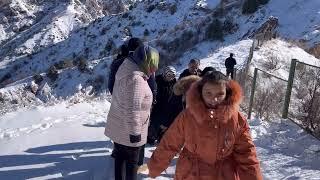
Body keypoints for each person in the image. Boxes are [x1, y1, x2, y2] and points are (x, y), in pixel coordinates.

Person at [147, 71, 263, 180]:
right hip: (191, 173)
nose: (214, 99)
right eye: (208, 93)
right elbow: (170, 142)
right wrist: (155, 166)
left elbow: (246, 152)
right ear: (200, 91)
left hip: (223, 174)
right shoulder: (188, 116)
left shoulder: (236, 119)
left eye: (220, 94)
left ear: (227, 92)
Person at [105, 44, 159, 180]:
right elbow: (133, 109)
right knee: (131, 166)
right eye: (153, 63)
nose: (155, 68)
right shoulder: (136, 80)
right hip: (130, 132)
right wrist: (135, 134)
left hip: (119, 126)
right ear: (145, 60)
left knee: (119, 159)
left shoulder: (126, 68)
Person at [108, 37, 157, 104]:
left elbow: (111, 84)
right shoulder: (146, 64)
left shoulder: (118, 63)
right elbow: (152, 83)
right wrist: (153, 98)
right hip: (140, 102)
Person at [147, 66, 183, 144]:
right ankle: (150, 137)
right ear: (164, 74)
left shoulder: (175, 84)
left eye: (172, 75)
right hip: (156, 107)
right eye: (168, 75)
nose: (170, 77)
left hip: (168, 108)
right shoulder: (157, 81)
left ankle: (161, 138)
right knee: (154, 125)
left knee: (165, 126)